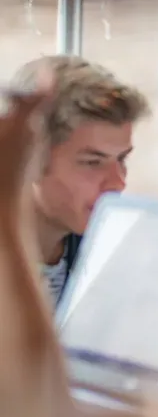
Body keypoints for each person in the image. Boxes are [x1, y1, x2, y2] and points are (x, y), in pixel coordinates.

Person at [7, 55, 150, 308]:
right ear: (30, 161)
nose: (117, 183)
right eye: (92, 162)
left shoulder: (106, 256)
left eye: (122, 160)